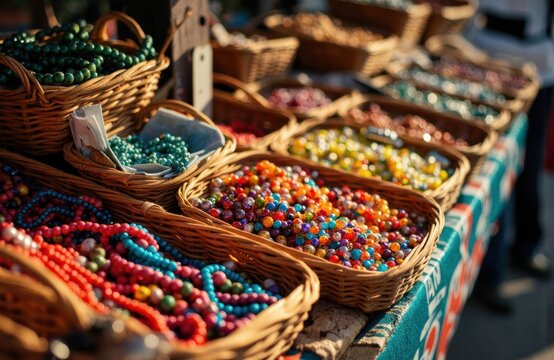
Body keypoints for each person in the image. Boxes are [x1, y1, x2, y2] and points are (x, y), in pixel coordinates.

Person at [466, 0, 554, 314]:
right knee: (496, 175)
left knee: (528, 171)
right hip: (480, 59)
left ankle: (526, 247)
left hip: (538, 70)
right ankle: (490, 272)